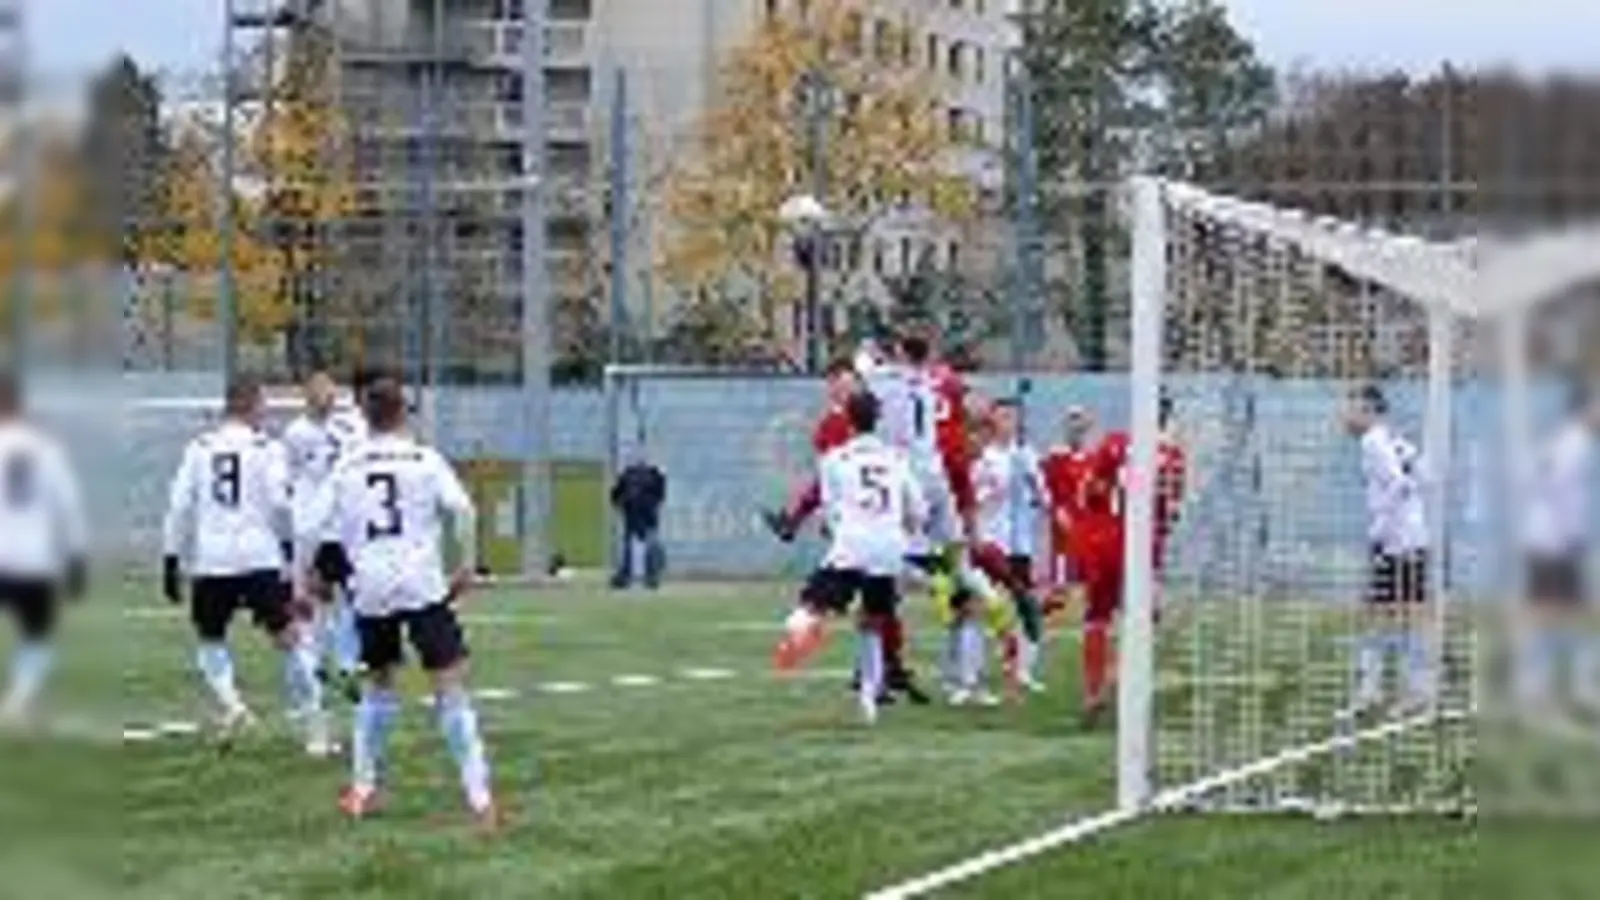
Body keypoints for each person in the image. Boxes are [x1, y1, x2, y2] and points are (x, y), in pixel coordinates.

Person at [326, 375, 498, 829]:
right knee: (450, 688)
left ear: (365, 416)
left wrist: (310, 574)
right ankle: (480, 800)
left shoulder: (347, 464)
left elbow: (317, 528)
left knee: (378, 687)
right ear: (403, 413)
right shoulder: (425, 458)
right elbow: (463, 510)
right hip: (422, 584)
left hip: (372, 588)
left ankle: (363, 792)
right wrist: (467, 565)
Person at [161, 376, 326, 752]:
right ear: (252, 406)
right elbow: (280, 502)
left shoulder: (199, 448)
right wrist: (292, 549)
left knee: (210, 639)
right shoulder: (265, 447)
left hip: (212, 559)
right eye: (262, 406)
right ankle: (316, 728)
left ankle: (233, 704)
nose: (265, 413)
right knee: (290, 638)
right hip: (257, 556)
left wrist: (171, 558)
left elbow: (179, 506)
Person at [772, 391, 925, 724]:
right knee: (872, 621)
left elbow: (830, 513)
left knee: (811, 603)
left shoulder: (835, 459)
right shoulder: (896, 458)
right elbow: (918, 510)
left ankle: (798, 639)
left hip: (853, 543)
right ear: (877, 420)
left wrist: (835, 529)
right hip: (888, 548)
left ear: (849, 421)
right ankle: (869, 701)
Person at [1076, 393, 1187, 725]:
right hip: (1145, 545)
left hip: (1107, 542)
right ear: (1167, 418)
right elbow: (1172, 512)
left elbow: (1089, 492)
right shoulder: (1173, 457)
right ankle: (1120, 675)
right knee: (1144, 617)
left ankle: (1093, 688)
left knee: (1097, 616)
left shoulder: (1114, 443)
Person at [0, 370, 89, 725]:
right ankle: (18, 701)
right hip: (33, 560)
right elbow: (67, 504)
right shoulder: (45, 447)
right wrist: (76, 557)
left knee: (38, 634)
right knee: (38, 635)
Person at [1340, 384, 1431, 717]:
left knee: (1394, 613)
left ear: (1367, 410)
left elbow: (1398, 485)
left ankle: (1406, 691)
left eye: (1349, 408)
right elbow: (1424, 475)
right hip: (1412, 538)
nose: (1343, 416)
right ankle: (1377, 689)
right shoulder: (1393, 439)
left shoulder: (1372, 441)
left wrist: (1382, 530)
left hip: (1396, 543)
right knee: (1391, 611)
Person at [282, 368, 368, 702]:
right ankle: (338, 663)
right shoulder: (346, 427)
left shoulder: (300, 433)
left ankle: (320, 677)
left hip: (320, 531)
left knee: (319, 606)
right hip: (334, 530)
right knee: (344, 601)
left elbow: (288, 482)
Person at [1513, 383, 1598, 712]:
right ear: (1584, 408)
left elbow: (1535, 479)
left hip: (1542, 539)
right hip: (1556, 543)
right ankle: (1573, 687)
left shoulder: (1562, 439)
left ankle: (1541, 686)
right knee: (1566, 614)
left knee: (1549, 613)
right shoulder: (1576, 443)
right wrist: (1572, 537)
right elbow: (1563, 494)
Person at [968, 398, 1051, 694]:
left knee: (1026, 604)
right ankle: (972, 672)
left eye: (1011, 418)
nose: (1006, 423)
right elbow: (974, 498)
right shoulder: (983, 458)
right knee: (981, 605)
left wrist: (1038, 498)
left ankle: (1025, 669)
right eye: (1001, 417)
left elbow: (1044, 497)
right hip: (990, 540)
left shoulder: (1026, 455)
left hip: (1020, 542)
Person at [1040, 406, 1098, 619]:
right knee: (1062, 550)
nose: (1076, 426)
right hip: (1063, 513)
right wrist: (1056, 509)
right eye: (1072, 421)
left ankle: (1090, 594)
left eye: (1080, 421)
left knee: (1088, 552)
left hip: (1085, 515)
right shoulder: (1056, 457)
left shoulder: (1093, 458)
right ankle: (1058, 591)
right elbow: (1046, 487)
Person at [609, 449, 667, 590]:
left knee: (636, 544)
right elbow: (660, 494)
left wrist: (620, 504)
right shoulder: (653, 474)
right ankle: (648, 577)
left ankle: (628, 576)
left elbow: (616, 493)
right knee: (645, 543)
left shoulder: (631, 474)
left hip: (637, 512)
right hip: (644, 513)